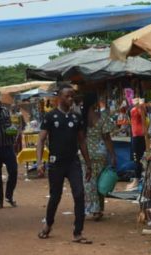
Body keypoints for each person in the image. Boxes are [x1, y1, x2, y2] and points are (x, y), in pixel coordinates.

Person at [35, 83, 93, 244]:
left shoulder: (76, 118)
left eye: (72, 95)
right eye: (67, 95)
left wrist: (88, 164)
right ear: (59, 97)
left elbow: (82, 142)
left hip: (73, 162)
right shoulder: (50, 116)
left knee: (80, 194)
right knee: (55, 196)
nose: (70, 98)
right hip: (56, 163)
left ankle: (78, 232)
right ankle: (48, 224)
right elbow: (41, 140)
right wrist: (39, 162)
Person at [82, 92, 117, 221]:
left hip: (84, 154)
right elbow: (107, 138)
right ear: (95, 103)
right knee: (99, 181)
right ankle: (98, 210)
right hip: (100, 153)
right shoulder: (101, 117)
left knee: (88, 182)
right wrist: (113, 154)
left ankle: (92, 208)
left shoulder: (80, 118)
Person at [128, 98, 147, 191]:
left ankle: (137, 180)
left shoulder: (140, 109)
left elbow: (143, 117)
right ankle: (136, 180)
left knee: (138, 159)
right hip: (136, 135)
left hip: (139, 136)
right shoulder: (134, 109)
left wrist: (140, 106)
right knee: (137, 159)